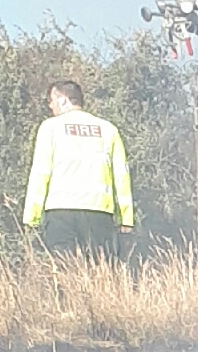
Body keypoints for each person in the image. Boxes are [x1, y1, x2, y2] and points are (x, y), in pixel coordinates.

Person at [23, 80, 136, 258]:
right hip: (99, 213)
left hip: (61, 211)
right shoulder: (108, 130)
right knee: (100, 271)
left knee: (66, 270)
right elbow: (122, 177)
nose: (50, 106)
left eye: (52, 100)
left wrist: (32, 217)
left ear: (62, 100)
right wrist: (126, 219)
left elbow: (40, 173)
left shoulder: (50, 127)